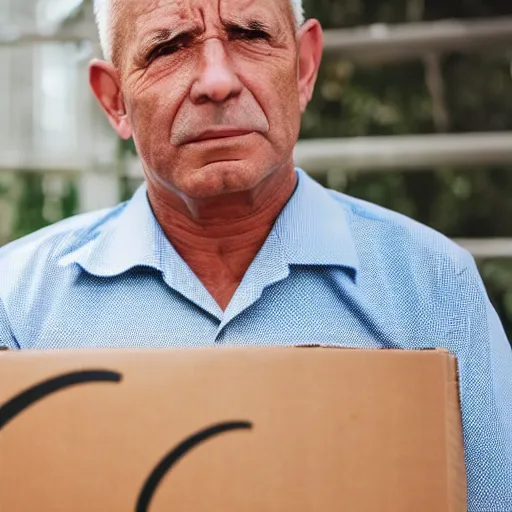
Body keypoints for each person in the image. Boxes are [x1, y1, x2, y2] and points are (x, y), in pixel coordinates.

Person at [0, 0, 510, 508]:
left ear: (305, 66)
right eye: (169, 47)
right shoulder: (18, 305)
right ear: (115, 101)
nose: (217, 81)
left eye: (249, 35)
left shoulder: (436, 288)